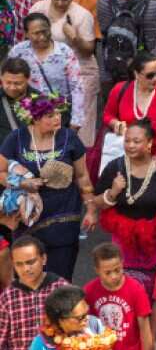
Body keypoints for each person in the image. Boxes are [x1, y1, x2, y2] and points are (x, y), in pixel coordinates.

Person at [0, 92, 93, 282]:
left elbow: (82, 176)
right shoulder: (17, 138)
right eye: (50, 116)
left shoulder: (69, 138)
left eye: (59, 113)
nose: (57, 118)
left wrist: (91, 209)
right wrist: (21, 183)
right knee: (28, 279)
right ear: (35, 118)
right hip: (28, 221)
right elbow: (1, 172)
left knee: (60, 280)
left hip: (64, 218)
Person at [94, 119, 156, 295]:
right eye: (127, 141)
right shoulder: (115, 166)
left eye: (136, 141)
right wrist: (113, 192)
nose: (130, 145)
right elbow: (97, 202)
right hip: (124, 242)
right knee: (123, 289)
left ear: (149, 143)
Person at [30, 0, 98, 147]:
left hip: (81, 75)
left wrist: (75, 37)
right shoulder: (38, 8)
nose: (60, 3)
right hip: (48, 76)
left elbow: (89, 50)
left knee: (80, 127)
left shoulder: (82, 15)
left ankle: (81, 168)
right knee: (47, 125)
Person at [84, 241, 154, 350]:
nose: (114, 276)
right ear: (97, 270)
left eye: (117, 270)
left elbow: (145, 328)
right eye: (107, 272)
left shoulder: (136, 289)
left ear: (122, 263)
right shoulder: (89, 291)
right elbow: (87, 327)